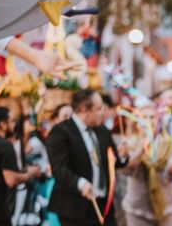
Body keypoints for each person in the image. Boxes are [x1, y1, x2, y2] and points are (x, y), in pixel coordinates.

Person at [46, 89, 127, 226]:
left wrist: (122, 156)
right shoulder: (61, 131)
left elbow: (115, 162)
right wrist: (80, 183)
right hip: (75, 206)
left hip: (103, 204)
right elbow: (59, 169)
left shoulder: (102, 130)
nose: (103, 112)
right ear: (84, 110)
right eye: (98, 109)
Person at [122, 104, 172, 226]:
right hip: (137, 208)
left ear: (158, 120)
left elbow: (168, 178)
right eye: (144, 117)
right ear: (137, 122)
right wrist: (140, 150)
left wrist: (171, 171)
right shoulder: (129, 143)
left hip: (165, 206)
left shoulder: (168, 143)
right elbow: (127, 171)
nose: (148, 120)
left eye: (152, 117)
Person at [0, 107, 41, 226]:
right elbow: (11, 179)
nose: (14, 125)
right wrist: (31, 174)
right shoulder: (4, 145)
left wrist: (25, 169)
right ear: (3, 124)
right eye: (12, 121)